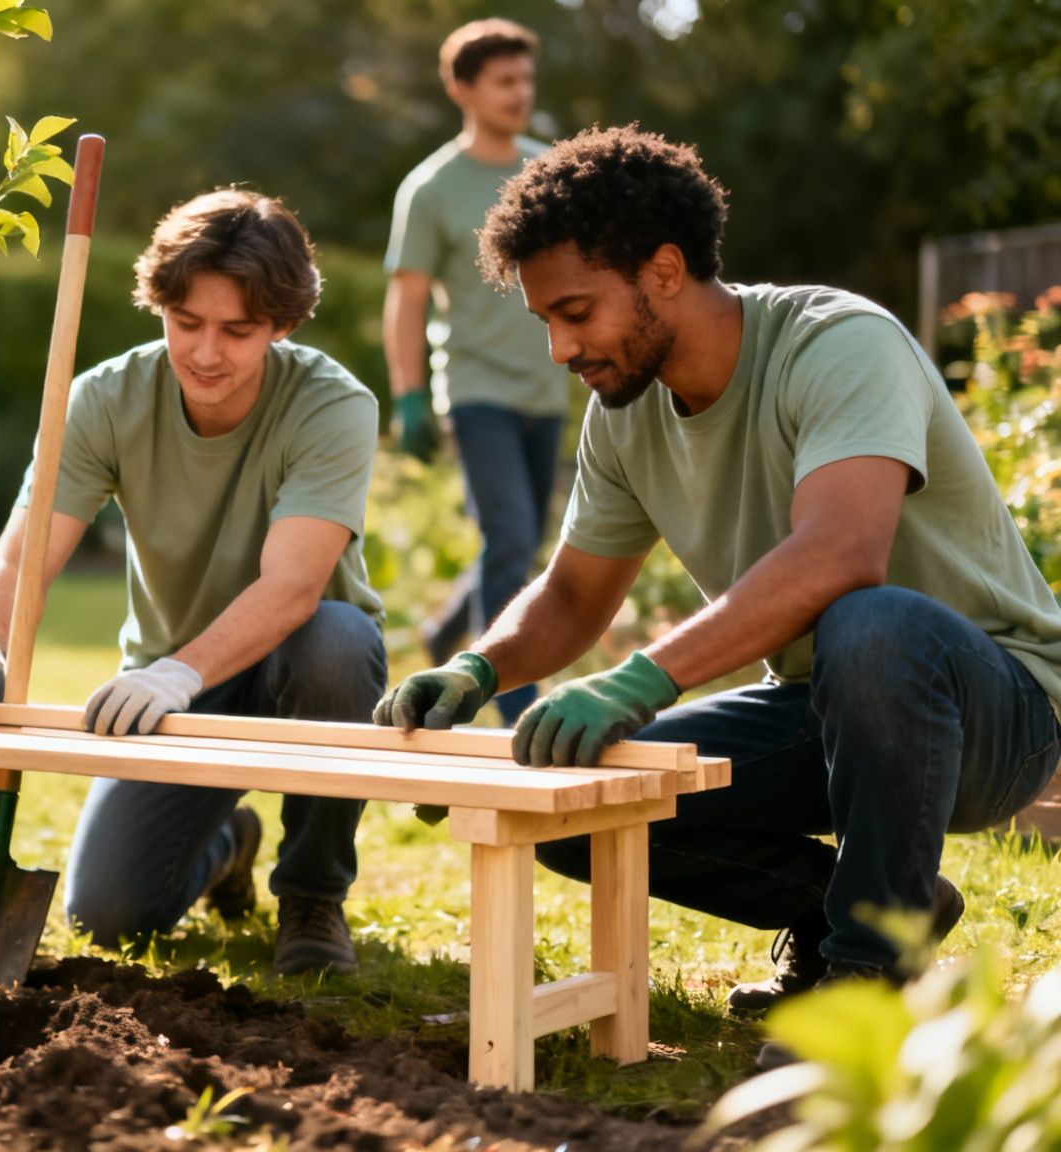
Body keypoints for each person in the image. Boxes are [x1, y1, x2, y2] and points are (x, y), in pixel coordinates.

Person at [376, 126, 1061, 1020]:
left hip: (991, 713)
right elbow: (576, 592)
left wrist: (637, 680)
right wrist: (478, 668)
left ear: (664, 270)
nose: (560, 350)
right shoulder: (623, 409)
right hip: (824, 709)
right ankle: (874, 905)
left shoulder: (838, 342)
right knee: (577, 797)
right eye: (546, 321)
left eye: (577, 312)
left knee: (872, 621)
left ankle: (866, 982)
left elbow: (842, 553)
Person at [0, 189, 387, 975]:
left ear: (282, 324)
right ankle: (226, 844)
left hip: (290, 659)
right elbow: (18, 560)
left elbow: (293, 588)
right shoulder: (105, 401)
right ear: (160, 308)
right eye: (187, 324)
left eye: (237, 331)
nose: (206, 352)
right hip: (171, 683)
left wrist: (179, 673)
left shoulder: (331, 406)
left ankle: (313, 896)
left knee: (339, 642)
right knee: (108, 916)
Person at [382, 18, 570, 722]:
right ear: (463, 88)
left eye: (526, 78)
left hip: (546, 382)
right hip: (475, 387)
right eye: (504, 81)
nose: (520, 93)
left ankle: (446, 630)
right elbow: (404, 298)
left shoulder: (547, 169)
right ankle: (514, 695)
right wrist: (407, 397)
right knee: (513, 535)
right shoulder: (431, 188)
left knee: (520, 538)